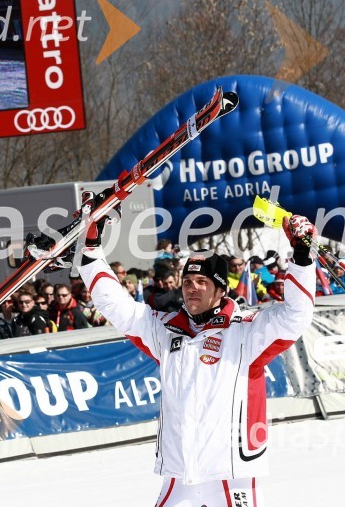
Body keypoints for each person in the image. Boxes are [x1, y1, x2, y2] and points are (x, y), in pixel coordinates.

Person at [78, 208, 317, 505]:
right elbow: (114, 304)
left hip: (230, 476)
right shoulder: (164, 330)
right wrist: (90, 252)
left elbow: (296, 315)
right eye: (188, 282)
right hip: (180, 476)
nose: (192, 289)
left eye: (202, 282)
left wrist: (303, 256)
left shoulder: (245, 332)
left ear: (220, 290)